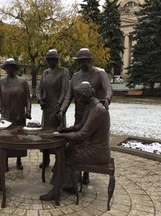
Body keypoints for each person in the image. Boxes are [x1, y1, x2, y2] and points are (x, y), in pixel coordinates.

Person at [40, 81, 111, 201]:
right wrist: (65, 130)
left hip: (97, 152)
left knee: (63, 155)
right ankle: (69, 185)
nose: (76, 99)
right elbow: (80, 126)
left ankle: (55, 190)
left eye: (78, 96)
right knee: (67, 152)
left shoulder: (97, 110)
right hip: (92, 148)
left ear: (84, 96)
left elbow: (82, 134)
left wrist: (62, 137)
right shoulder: (92, 105)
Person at [58, 48, 113, 184]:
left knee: (89, 140)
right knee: (77, 142)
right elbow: (68, 96)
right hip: (80, 114)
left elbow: (108, 89)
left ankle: (86, 173)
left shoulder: (100, 73)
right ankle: (73, 177)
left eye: (84, 61)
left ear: (90, 61)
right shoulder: (75, 76)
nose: (82, 64)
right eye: (80, 62)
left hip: (94, 114)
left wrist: (107, 99)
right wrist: (62, 110)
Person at [0, 58, 32, 171]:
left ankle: (19, 160)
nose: (9, 69)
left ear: (15, 68)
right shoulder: (1, 82)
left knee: (19, 139)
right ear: (5, 69)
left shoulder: (23, 82)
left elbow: (28, 98)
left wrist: (28, 111)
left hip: (19, 114)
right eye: (7, 67)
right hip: (6, 115)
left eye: (12, 67)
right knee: (5, 139)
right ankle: (5, 161)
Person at [38, 49, 70, 169]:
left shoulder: (64, 71)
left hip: (58, 108)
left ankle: (58, 161)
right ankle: (45, 160)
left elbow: (65, 90)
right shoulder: (45, 72)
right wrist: (40, 98)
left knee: (57, 134)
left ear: (57, 60)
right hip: (46, 108)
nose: (50, 62)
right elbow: (39, 88)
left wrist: (59, 104)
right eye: (48, 59)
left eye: (53, 59)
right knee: (46, 135)